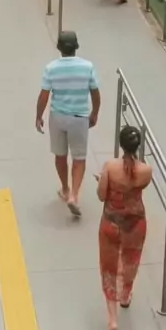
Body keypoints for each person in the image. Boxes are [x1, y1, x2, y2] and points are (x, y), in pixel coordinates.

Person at [96, 125, 152, 330]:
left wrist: (102, 181)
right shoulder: (146, 171)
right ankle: (126, 294)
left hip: (111, 223)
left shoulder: (110, 167)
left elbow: (102, 196)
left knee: (109, 269)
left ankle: (112, 320)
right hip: (135, 224)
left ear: (121, 144)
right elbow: (135, 188)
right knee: (131, 260)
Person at [36, 31, 100, 217]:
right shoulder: (87, 67)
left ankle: (65, 188)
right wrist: (94, 113)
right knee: (79, 158)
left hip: (58, 117)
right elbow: (95, 93)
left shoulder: (51, 68)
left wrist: (39, 116)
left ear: (59, 48)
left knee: (60, 155)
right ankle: (74, 195)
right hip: (79, 117)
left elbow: (44, 95)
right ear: (76, 47)